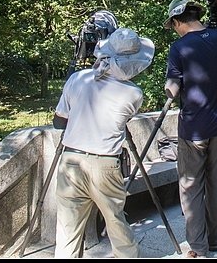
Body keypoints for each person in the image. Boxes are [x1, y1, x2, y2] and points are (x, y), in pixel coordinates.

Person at [52, 28, 155, 258]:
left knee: (67, 229)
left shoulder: (77, 78)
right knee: (115, 220)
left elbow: (59, 122)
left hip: (71, 160)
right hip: (105, 164)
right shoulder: (134, 94)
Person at [163, 0, 217, 258]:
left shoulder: (179, 48)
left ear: (178, 21)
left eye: (173, 25)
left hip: (193, 128)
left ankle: (198, 248)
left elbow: (173, 89)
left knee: (191, 185)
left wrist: (169, 90)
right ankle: (214, 240)